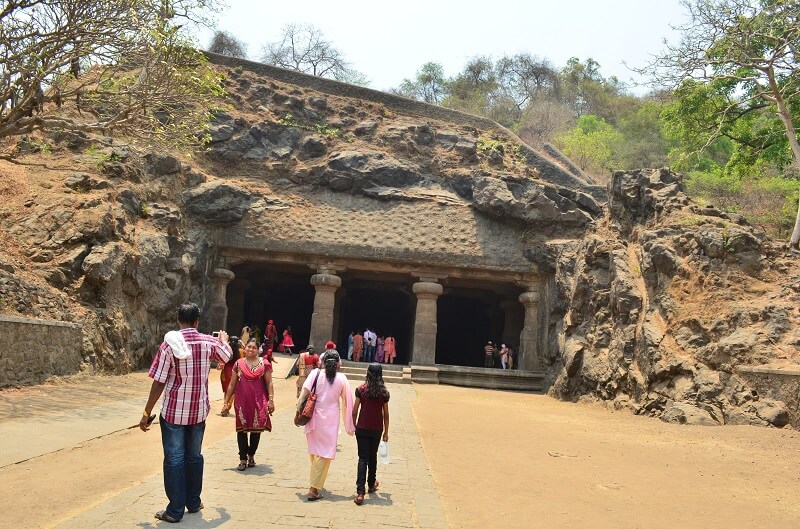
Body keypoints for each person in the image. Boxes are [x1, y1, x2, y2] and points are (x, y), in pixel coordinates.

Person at [139, 302, 232, 524]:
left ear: (179, 321)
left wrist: (146, 412)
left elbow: (159, 382)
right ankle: (193, 501)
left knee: (174, 459)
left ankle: (175, 510)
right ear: (197, 322)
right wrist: (224, 340)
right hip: (198, 412)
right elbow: (226, 356)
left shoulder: (169, 345)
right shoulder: (208, 342)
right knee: (194, 456)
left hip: (173, 413)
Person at [297, 350, 355, 501]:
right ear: (338, 364)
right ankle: (314, 489)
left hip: (313, 417)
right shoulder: (342, 378)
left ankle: (316, 481)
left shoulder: (315, 373)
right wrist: (350, 425)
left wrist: (298, 412)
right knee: (325, 453)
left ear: (322, 361)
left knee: (315, 450)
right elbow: (348, 403)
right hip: (330, 419)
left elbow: (303, 394)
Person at [221, 339, 274, 471]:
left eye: (253, 348)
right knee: (242, 430)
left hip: (258, 401)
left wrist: (271, 400)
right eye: (248, 347)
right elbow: (232, 384)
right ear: (245, 348)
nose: (250, 349)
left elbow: (269, 383)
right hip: (242, 401)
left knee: (257, 429)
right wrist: (226, 401)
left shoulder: (264, 363)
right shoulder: (239, 364)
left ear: (258, 350)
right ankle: (242, 459)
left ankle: (251, 455)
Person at [351, 363, 390, 506]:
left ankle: (360, 492)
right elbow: (385, 415)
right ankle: (371, 484)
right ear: (381, 374)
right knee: (372, 456)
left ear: (367, 373)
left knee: (362, 458)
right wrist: (386, 431)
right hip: (376, 429)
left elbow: (354, 411)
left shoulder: (361, 390)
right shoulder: (384, 393)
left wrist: (353, 425)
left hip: (362, 428)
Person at [217, 336, 242, 406]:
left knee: (226, 390)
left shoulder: (226, 351)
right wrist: (242, 344)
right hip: (235, 373)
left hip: (225, 373)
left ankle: (226, 404)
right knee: (233, 390)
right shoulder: (241, 351)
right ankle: (228, 405)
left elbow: (219, 365)